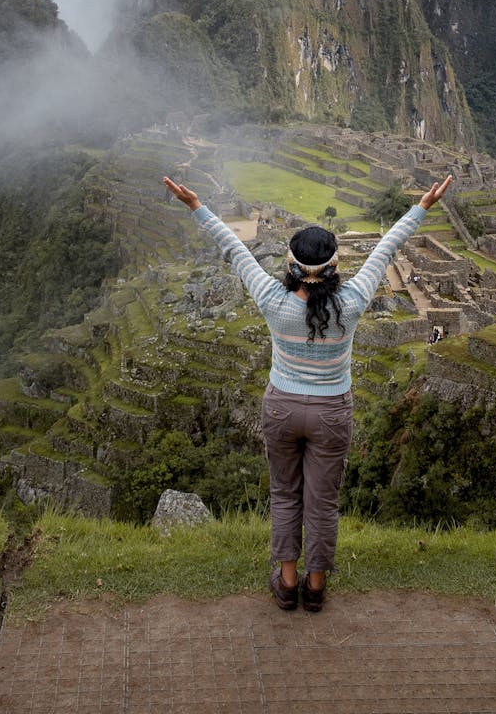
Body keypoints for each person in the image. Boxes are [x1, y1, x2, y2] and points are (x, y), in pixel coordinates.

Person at [163, 173, 452, 612]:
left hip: (281, 407)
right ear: (335, 266)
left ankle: (287, 581)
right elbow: (386, 249)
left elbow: (234, 250)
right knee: (323, 500)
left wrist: (196, 206)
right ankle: (316, 588)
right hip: (332, 412)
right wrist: (423, 206)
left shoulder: (273, 301)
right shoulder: (352, 302)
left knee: (284, 493)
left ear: (291, 265)